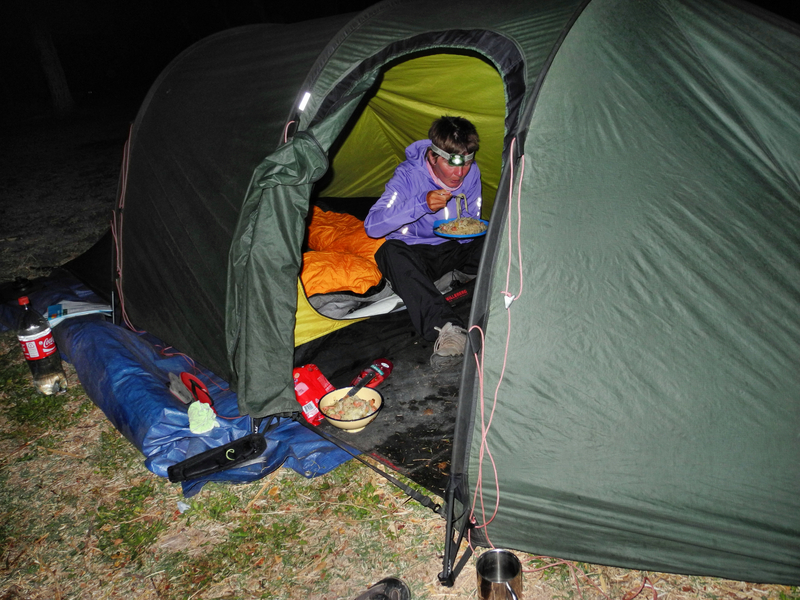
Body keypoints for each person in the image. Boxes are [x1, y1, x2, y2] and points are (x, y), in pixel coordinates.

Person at [365, 116, 484, 368]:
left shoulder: (471, 173)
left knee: (495, 236)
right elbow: (373, 225)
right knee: (389, 252)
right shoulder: (408, 176)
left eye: (466, 163)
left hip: (454, 248)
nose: (459, 173)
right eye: (452, 164)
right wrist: (421, 204)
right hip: (418, 254)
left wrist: (476, 234)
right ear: (432, 156)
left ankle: (497, 294)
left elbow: (472, 220)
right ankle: (449, 327)